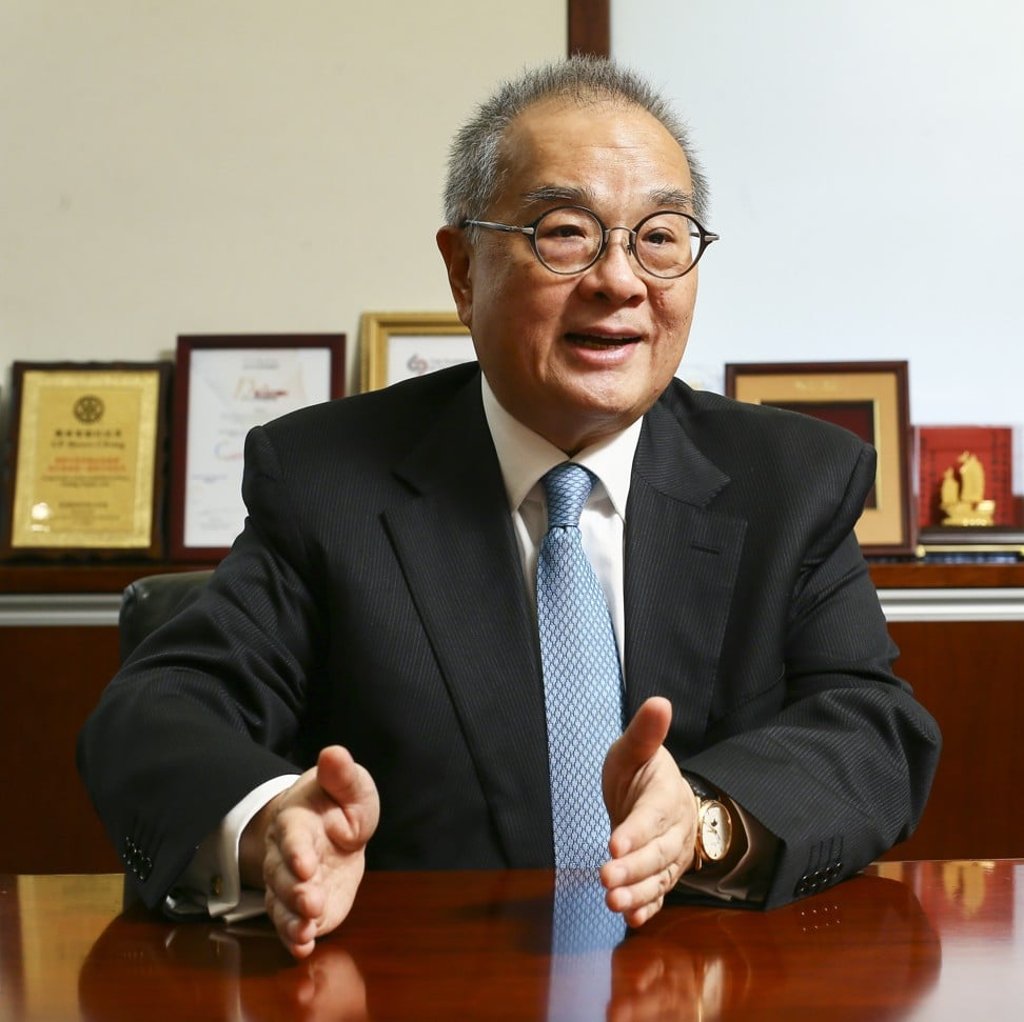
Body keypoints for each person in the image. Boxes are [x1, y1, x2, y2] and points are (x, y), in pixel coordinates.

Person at [78, 56, 941, 959]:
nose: (619, 279)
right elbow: (156, 713)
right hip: (425, 981)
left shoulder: (789, 480)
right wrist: (267, 827)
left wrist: (709, 822)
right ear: (462, 270)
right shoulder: (327, 480)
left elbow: (875, 732)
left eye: (660, 235)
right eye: (565, 232)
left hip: (699, 983)